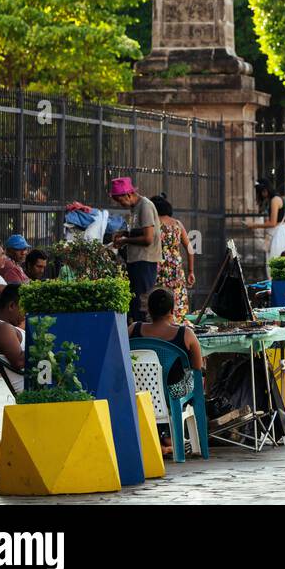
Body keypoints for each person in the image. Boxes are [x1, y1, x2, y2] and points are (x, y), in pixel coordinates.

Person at [129, 286, 205, 458]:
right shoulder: (185, 334)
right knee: (195, 379)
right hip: (173, 395)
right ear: (172, 309)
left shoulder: (133, 329)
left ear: (148, 309)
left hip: (142, 394)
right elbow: (197, 367)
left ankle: (164, 439)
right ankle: (172, 438)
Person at [110, 176, 162, 322]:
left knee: (142, 303)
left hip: (144, 261)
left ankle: (143, 332)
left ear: (128, 194)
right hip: (136, 260)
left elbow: (148, 238)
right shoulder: (134, 208)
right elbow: (139, 231)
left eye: (121, 201)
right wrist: (125, 233)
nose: (121, 205)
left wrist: (125, 240)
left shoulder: (144, 206)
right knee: (135, 302)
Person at [150, 194, 194, 322]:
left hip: (158, 269)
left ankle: (159, 326)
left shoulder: (153, 224)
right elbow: (190, 249)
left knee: (158, 299)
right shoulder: (177, 224)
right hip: (176, 270)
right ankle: (178, 327)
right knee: (177, 299)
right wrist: (191, 271)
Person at [0, 284, 26, 389]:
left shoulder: (9, 327)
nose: (26, 314)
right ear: (12, 306)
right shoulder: (1, 328)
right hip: (31, 389)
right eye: (24, 308)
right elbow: (19, 362)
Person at [257, 179, 285, 269]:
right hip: (280, 233)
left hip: (279, 234)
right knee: (276, 264)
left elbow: (273, 223)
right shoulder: (275, 199)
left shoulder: (275, 200)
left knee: (275, 264)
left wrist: (253, 225)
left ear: (265, 190)